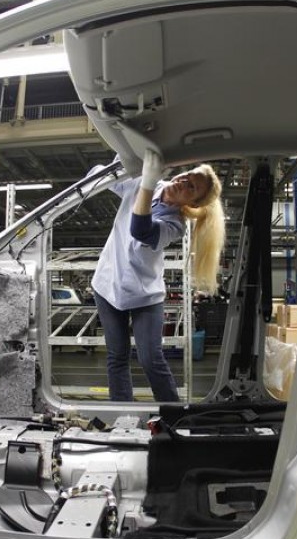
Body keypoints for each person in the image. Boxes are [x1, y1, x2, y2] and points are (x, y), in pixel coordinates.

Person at [91, 150, 225, 401]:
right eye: (188, 175)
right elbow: (102, 174)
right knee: (116, 357)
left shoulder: (175, 224)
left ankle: (173, 416)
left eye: (192, 187)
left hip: (145, 296)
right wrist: (127, 149)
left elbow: (141, 230)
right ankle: (123, 417)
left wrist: (147, 181)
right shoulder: (150, 183)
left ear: (193, 204)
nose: (183, 181)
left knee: (151, 359)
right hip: (106, 285)